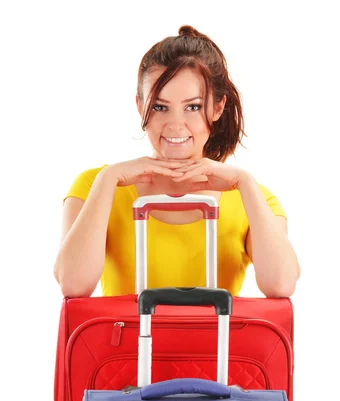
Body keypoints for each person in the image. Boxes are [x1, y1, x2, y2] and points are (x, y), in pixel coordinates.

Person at [54, 25, 300, 299]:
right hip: (125, 344)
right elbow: (73, 285)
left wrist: (245, 183)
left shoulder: (254, 199)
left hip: (216, 343)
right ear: (140, 105)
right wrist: (109, 179)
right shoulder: (95, 185)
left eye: (193, 107)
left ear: (218, 107)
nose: (175, 124)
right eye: (159, 106)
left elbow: (281, 285)